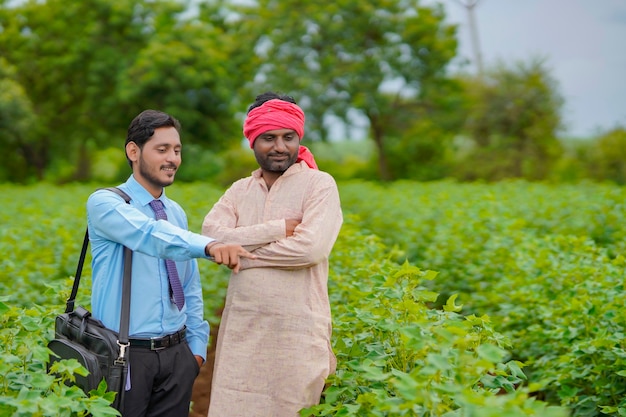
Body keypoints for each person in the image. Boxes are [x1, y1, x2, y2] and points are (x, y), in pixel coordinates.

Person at [86, 109, 254, 416]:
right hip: (127, 356)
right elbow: (150, 235)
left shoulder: (174, 211)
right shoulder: (106, 203)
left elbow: (189, 285)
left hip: (178, 356)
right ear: (133, 151)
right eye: (161, 149)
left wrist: (196, 352)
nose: (172, 159)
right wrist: (210, 245)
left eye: (176, 150)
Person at [202, 92, 343, 416]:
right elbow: (209, 238)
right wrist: (277, 228)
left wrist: (239, 254)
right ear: (252, 142)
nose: (279, 146)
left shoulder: (319, 185)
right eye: (269, 138)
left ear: (298, 138)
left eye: (287, 137)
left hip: (297, 332)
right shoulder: (239, 190)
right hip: (243, 329)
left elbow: (310, 249)